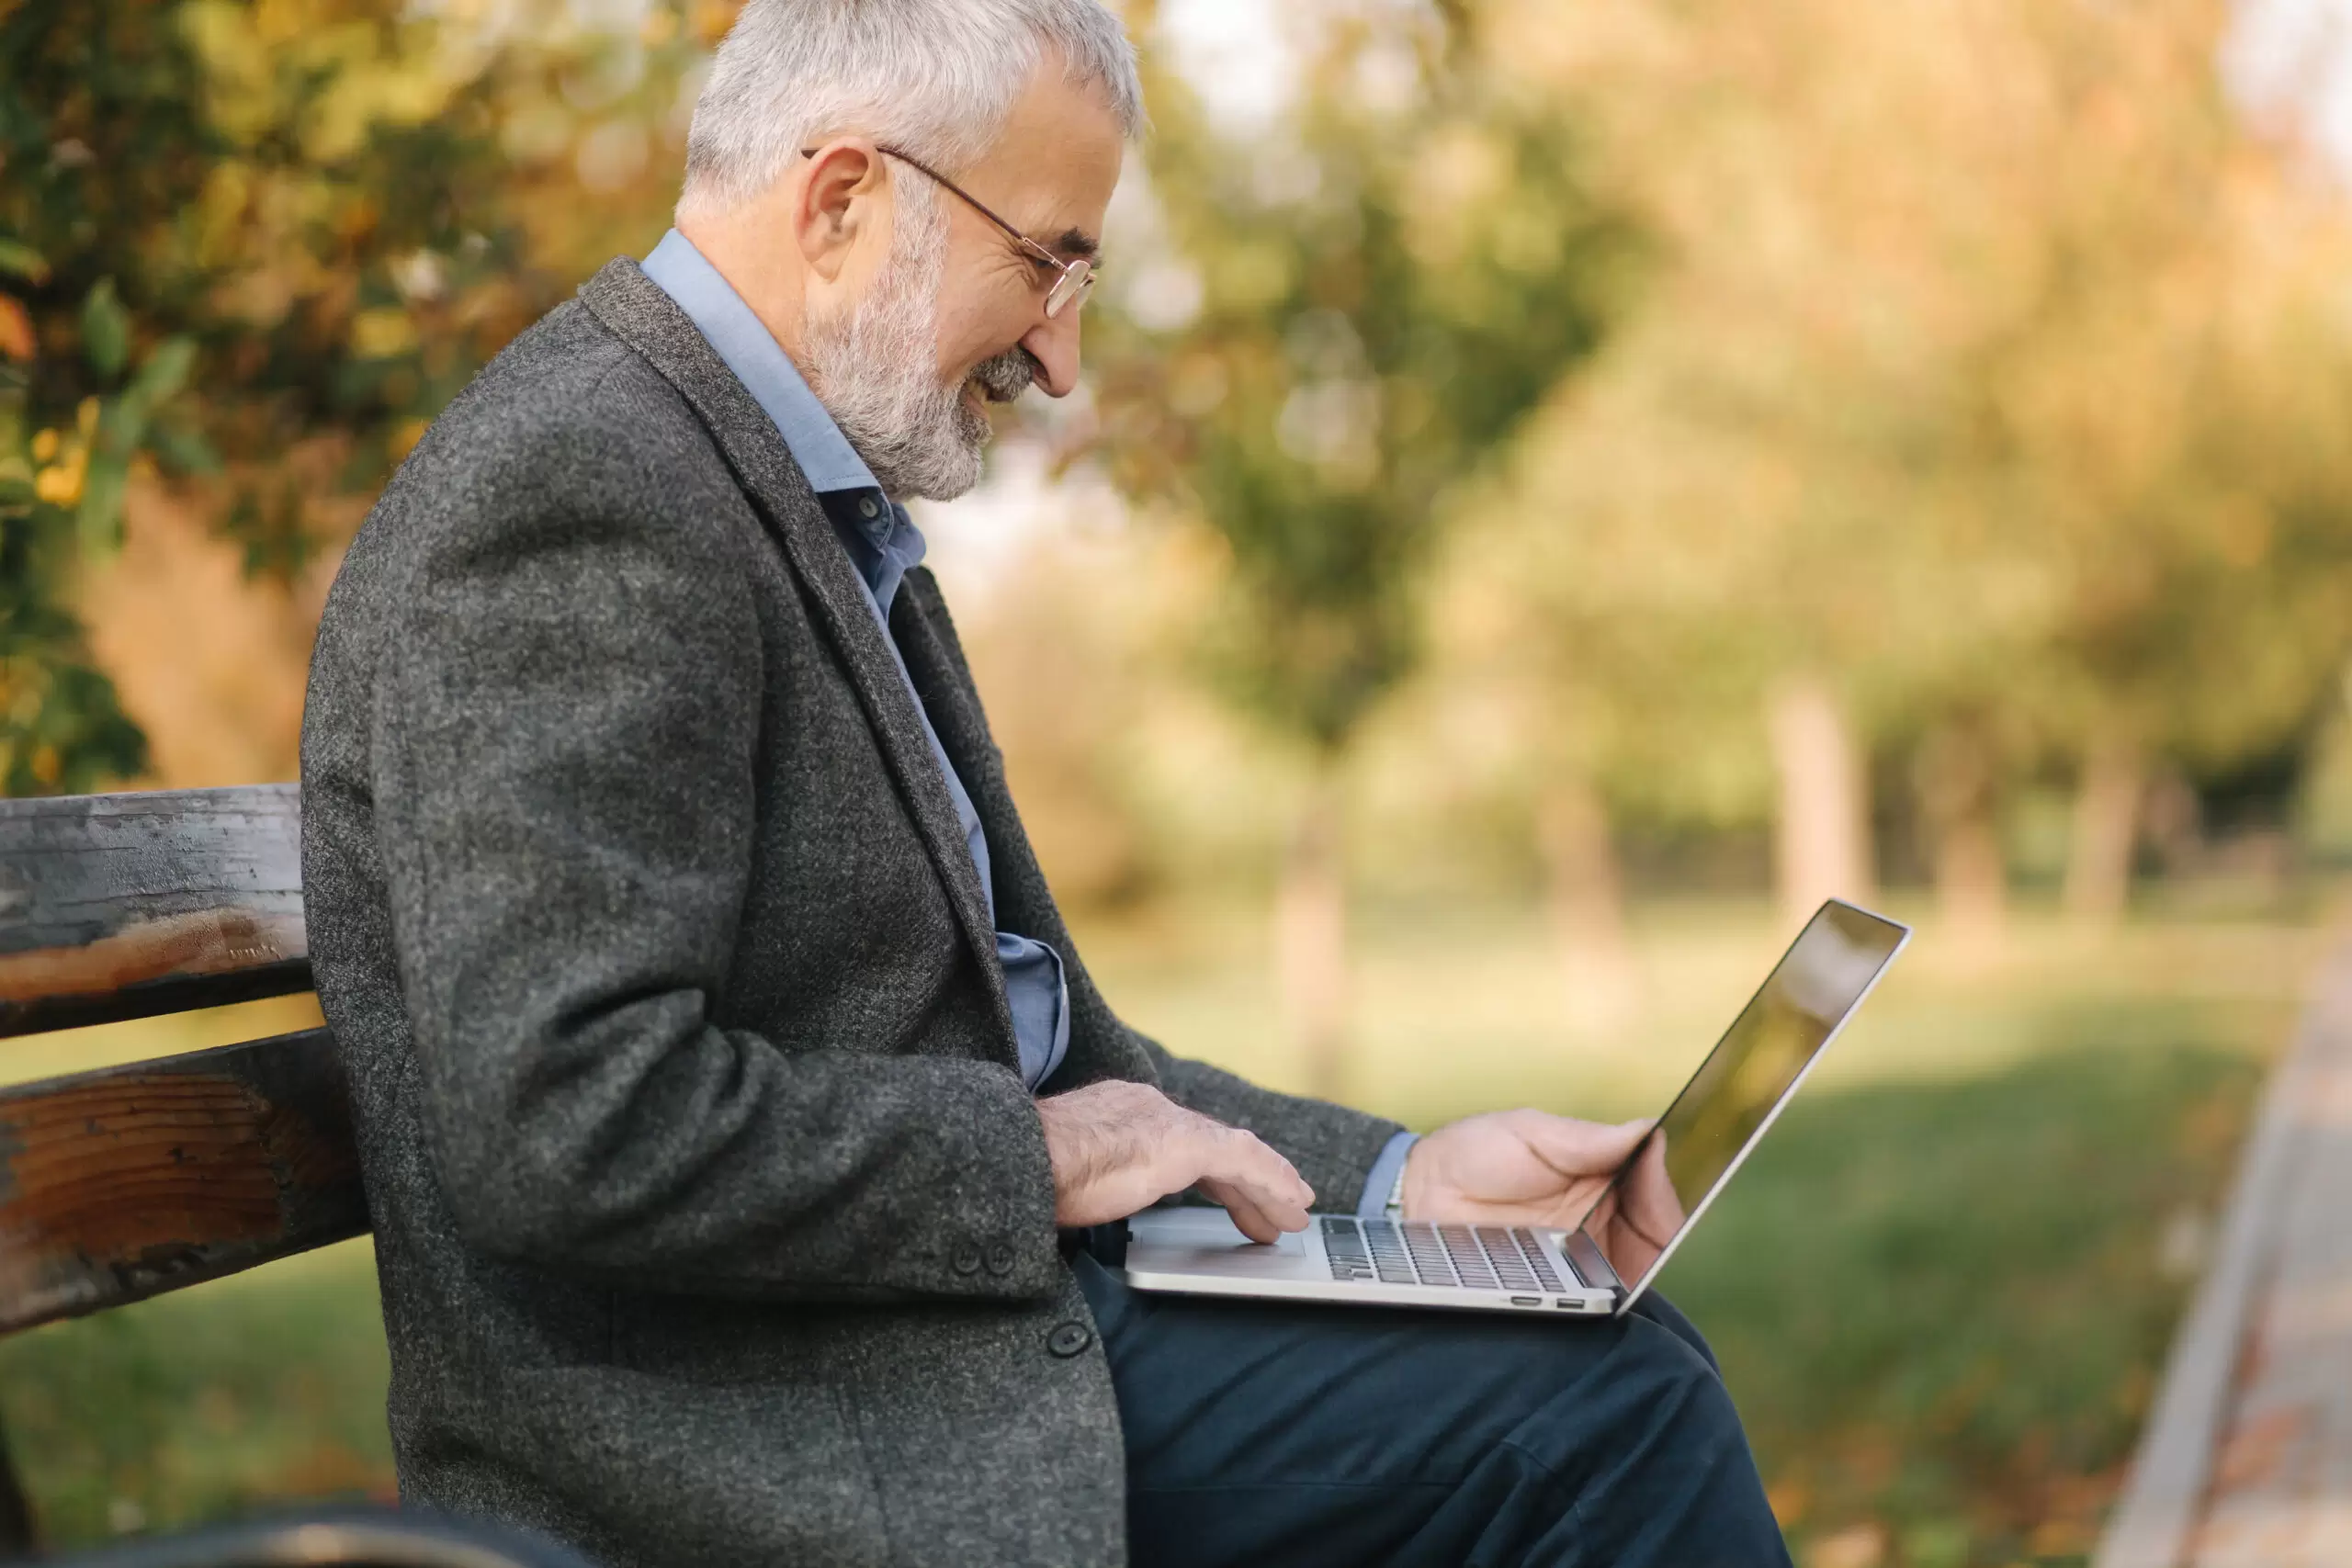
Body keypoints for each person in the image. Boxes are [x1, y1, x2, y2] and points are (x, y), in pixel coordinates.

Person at [298, 2, 1791, 1563]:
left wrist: (1400, 1184)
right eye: (1051, 260)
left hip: (930, 1354)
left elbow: (1068, 1060)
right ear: (842, 201)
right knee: (1600, 1410)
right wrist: (1039, 1157)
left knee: (1620, 1361)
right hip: (778, 1439)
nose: (1063, 358)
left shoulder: (779, 493)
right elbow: (569, 1119)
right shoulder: (586, 487)